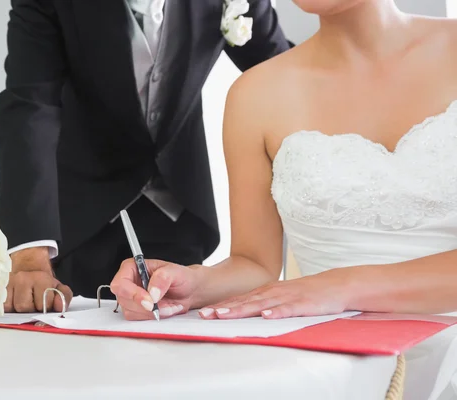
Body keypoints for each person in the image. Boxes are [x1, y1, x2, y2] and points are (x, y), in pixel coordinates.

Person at [110, 0, 457, 326]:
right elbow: (255, 264)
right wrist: (193, 284)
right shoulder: (254, 93)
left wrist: (344, 287)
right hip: (333, 361)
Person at [0, 0, 292, 313]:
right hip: (81, 221)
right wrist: (30, 257)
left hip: (179, 209)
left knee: (177, 347)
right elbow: (30, 105)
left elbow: (286, 74)